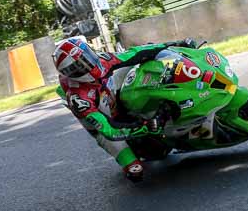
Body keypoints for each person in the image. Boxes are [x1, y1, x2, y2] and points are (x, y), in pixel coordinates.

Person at [53, 36, 197, 183]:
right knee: (136, 171)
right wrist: (142, 126)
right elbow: (109, 130)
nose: (88, 65)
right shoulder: (78, 98)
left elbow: (135, 53)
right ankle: (130, 160)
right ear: (69, 74)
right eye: (79, 67)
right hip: (105, 125)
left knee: (146, 58)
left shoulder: (102, 60)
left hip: (113, 97)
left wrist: (173, 44)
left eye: (87, 58)